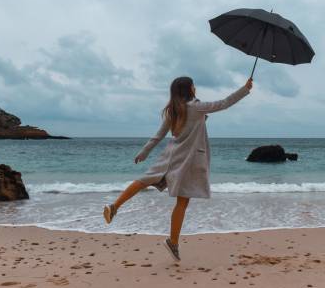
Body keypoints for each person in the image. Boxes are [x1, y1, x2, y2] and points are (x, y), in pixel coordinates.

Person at [103, 76, 253, 261]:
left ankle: (115, 206)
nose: (195, 87)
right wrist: (245, 89)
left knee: (144, 181)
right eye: (193, 85)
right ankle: (173, 241)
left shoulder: (173, 110)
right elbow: (224, 103)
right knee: (182, 202)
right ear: (190, 89)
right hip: (187, 159)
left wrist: (144, 152)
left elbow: (158, 136)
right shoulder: (196, 107)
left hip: (170, 156)